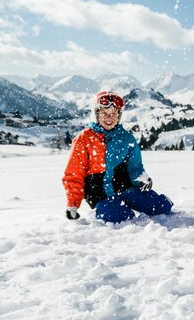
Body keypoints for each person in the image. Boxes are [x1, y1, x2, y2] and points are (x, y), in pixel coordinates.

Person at [63, 91, 173, 223]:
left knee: (161, 207)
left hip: (124, 187)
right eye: (104, 113)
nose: (109, 118)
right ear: (97, 115)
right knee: (119, 217)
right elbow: (74, 173)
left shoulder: (126, 138)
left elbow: (135, 165)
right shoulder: (84, 139)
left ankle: (137, 201)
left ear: (118, 116)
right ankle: (110, 208)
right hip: (99, 192)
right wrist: (73, 203)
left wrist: (142, 178)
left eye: (113, 114)